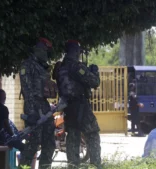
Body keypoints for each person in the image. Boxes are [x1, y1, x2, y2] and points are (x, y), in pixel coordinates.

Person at [54, 40, 101, 168]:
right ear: (75, 51)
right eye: (79, 51)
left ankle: (73, 166)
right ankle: (96, 165)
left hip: (68, 107)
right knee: (92, 134)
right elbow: (94, 82)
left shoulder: (60, 68)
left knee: (73, 137)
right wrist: (94, 71)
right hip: (81, 105)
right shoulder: (76, 67)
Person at [19, 37, 56, 168]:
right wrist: (31, 111)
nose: (46, 54)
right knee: (33, 144)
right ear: (39, 50)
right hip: (33, 106)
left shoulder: (42, 67)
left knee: (50, 143)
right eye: (45, 51)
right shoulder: (27, 65)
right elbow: (26, 89)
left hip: (44, 106)